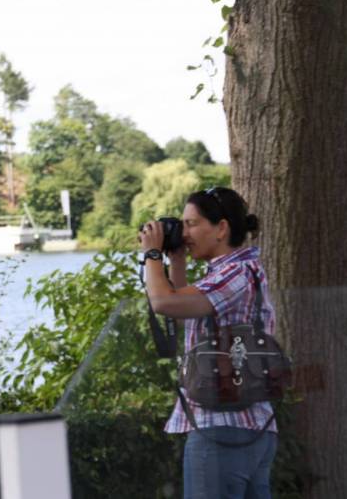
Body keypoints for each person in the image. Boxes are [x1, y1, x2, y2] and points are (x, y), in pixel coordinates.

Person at [139, 187, 278, 499]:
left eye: (191, 224)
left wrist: (152, 255)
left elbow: (162, 302)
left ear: (221, 228)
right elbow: (182, 312)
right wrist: (176, 261)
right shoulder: (239, 271)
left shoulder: (234, 274)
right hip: (248, 427)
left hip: (223, 430)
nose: (185, 233)